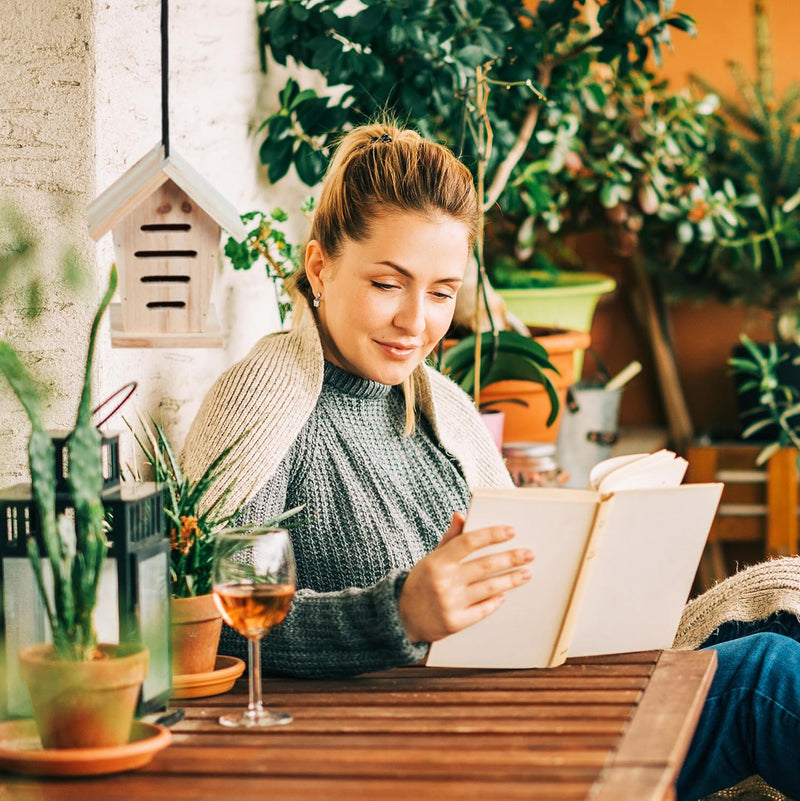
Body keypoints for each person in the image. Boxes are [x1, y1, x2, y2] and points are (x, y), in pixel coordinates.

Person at [182, 122, 800, 801]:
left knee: (779, 620)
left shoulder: (439, 406)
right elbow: (205, 626)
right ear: (320, 265)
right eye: (389, 283)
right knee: (769, 677)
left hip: (528, 700)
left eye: (443, 292)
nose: (416, 322)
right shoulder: (267, 398)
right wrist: (400, 614)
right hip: (442, 744)